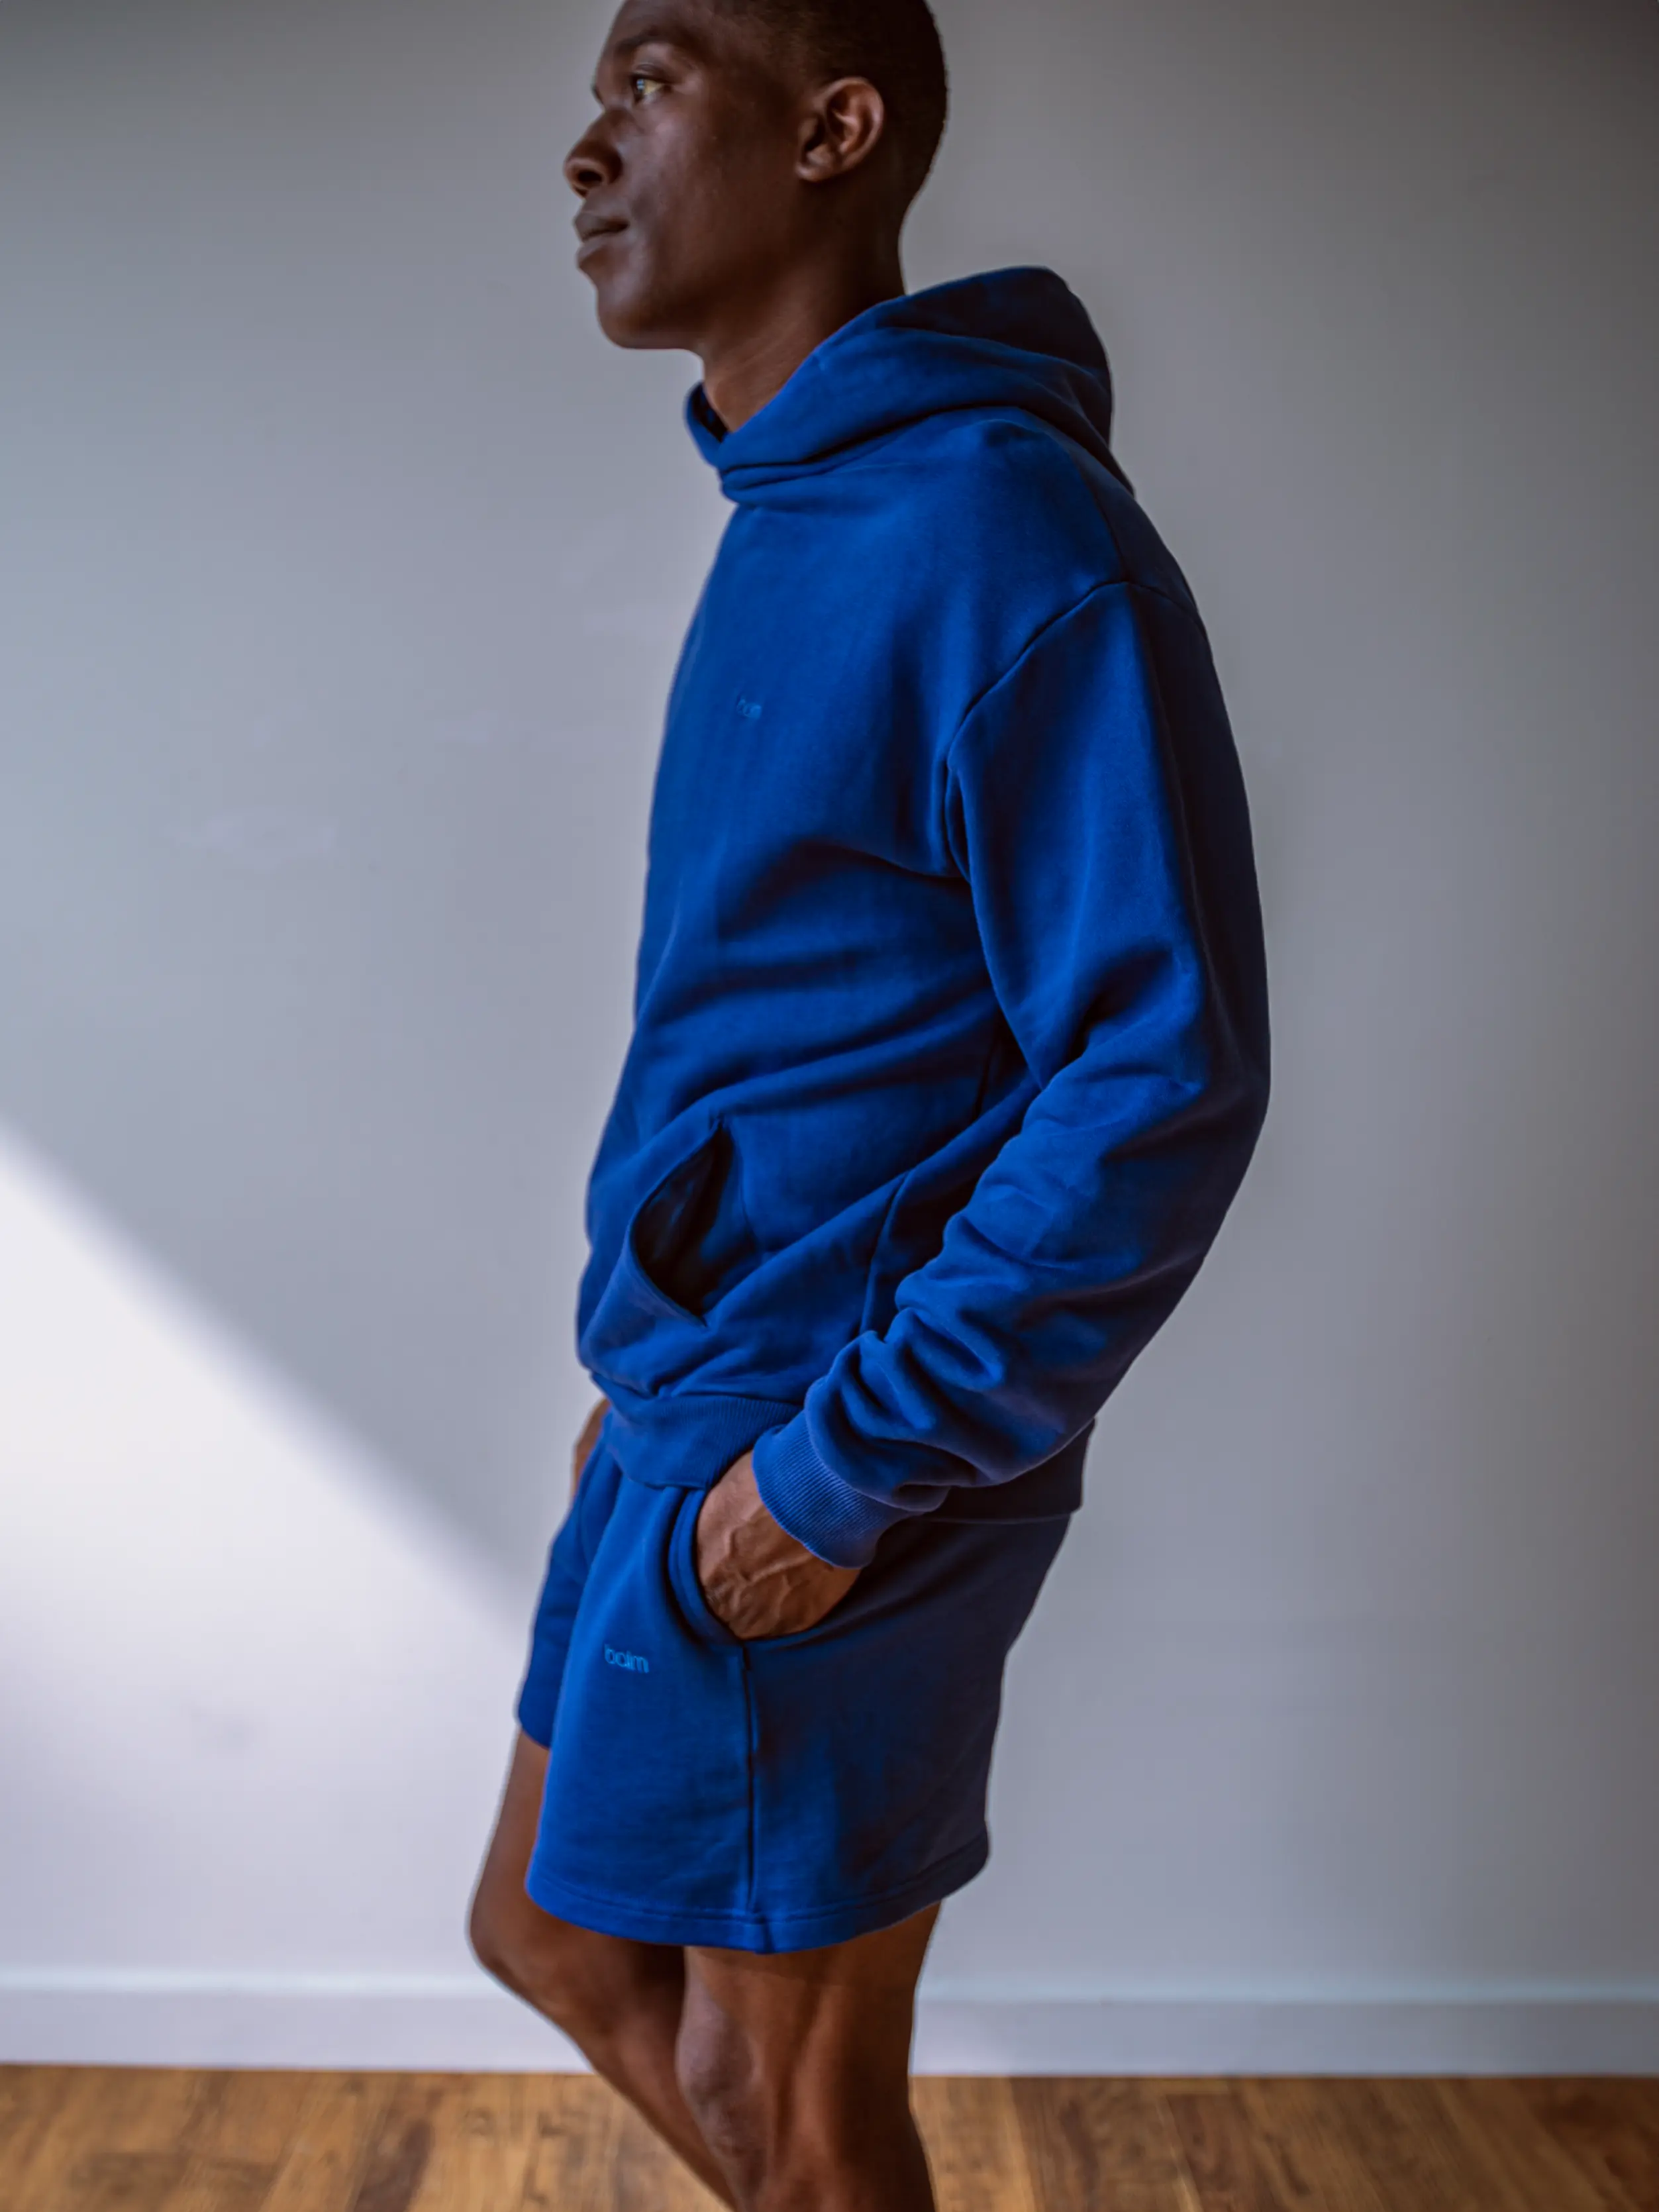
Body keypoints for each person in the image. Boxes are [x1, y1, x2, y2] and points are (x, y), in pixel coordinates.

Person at [468, 0, 1270, 2203]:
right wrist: (651, 1372)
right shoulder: (802, 504)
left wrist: (842, 1464)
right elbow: (806, 1025)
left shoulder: (1006, 531)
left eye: (653, 79)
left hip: (835, 1438)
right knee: (540, 1929)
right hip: (695, 1392)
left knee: (787, 2101)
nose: (587, 146)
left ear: (836, 130)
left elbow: (1162, 1073)